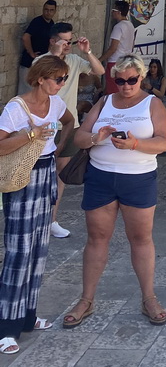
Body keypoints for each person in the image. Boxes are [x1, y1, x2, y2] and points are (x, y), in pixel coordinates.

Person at [64, 54, 166, 329]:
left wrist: (136, 144)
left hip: (138, 179)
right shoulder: (105, 102)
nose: (126, 86)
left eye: (132, 80)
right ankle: (86, 300)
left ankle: (149, 298)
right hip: (101, 177)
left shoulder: (152, 103)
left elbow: (163, 142)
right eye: (120, 80)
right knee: (96, 238)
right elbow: (78, 137)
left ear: (142, 78)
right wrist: (95, 138)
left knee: (140, 239)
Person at [0, 54, 74, 354]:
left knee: (39, 249)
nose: (62, 84)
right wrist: (32, 134)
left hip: (44, 173)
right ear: (40, 78)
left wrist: (56, 149)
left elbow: (69, 120)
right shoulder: (16, 108)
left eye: (64, 78)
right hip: (21, 176)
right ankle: (6, 326)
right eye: (58, 78)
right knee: (18, 251)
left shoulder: (56, 105)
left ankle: (28, 316)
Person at [32, 23, 105, 239]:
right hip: (44, 125)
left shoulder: (73, 61)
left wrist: (88, 52)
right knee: (37, 172)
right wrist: (55, 55)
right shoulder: (41, 61)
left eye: (70, 41)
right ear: (53, 41)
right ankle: (36, 217)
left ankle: (52, 219)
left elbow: (99, 71)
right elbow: (35, 82)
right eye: (64, 41)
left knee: (61, 174)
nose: (68, 45)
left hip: (68, 124)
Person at [18, 0, 57, 94]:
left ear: (55, 11)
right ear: (43, 9)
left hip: (41, 65)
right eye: (46, 9)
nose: (48, 12)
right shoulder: (37, 22)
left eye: (51, 10)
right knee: (26, 92)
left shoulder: (51, 24)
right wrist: (31, 53)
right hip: (29, 64)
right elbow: (25, 37)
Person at [101, 1, 135, 94]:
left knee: (113, 89)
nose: (112, 12)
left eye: (114, 10)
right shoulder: (130, 25)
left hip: (115, 62)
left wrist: (100, 59)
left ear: (119, 12)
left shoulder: (118, 27)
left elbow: (113, 48)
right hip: (126, 61)